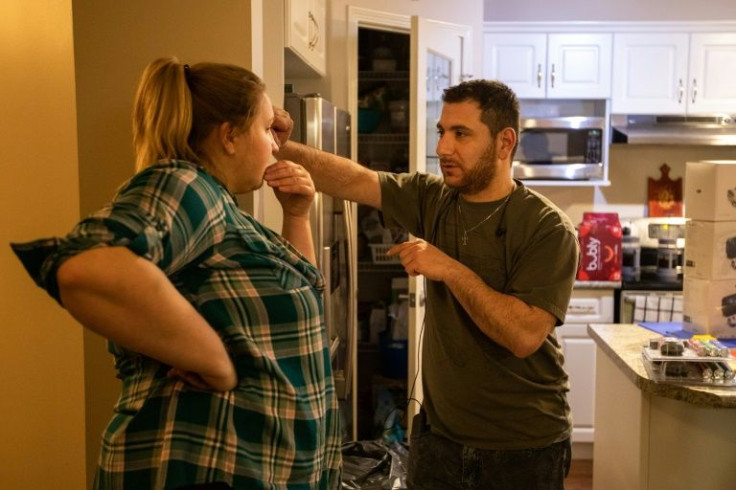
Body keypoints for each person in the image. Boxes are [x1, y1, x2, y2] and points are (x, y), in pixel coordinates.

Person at [11, 58, 341, 490]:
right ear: (229, 136)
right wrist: (214, 360)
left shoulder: (222, 208)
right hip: (202, 467)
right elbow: (87, 264)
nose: (276, 146)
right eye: (266, 130)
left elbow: (293, 304)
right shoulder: (186, 183)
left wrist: (297, 216)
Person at [269, 79, 579, 489]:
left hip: (522, 446)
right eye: (442, 132)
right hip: (439, 439)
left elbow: (522, 335)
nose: (443, 148)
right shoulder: (434, 199)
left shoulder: (547, 227)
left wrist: (448, 268)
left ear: (505, 143)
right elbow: (354, 179)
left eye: (461, 134)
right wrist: (276, 145)